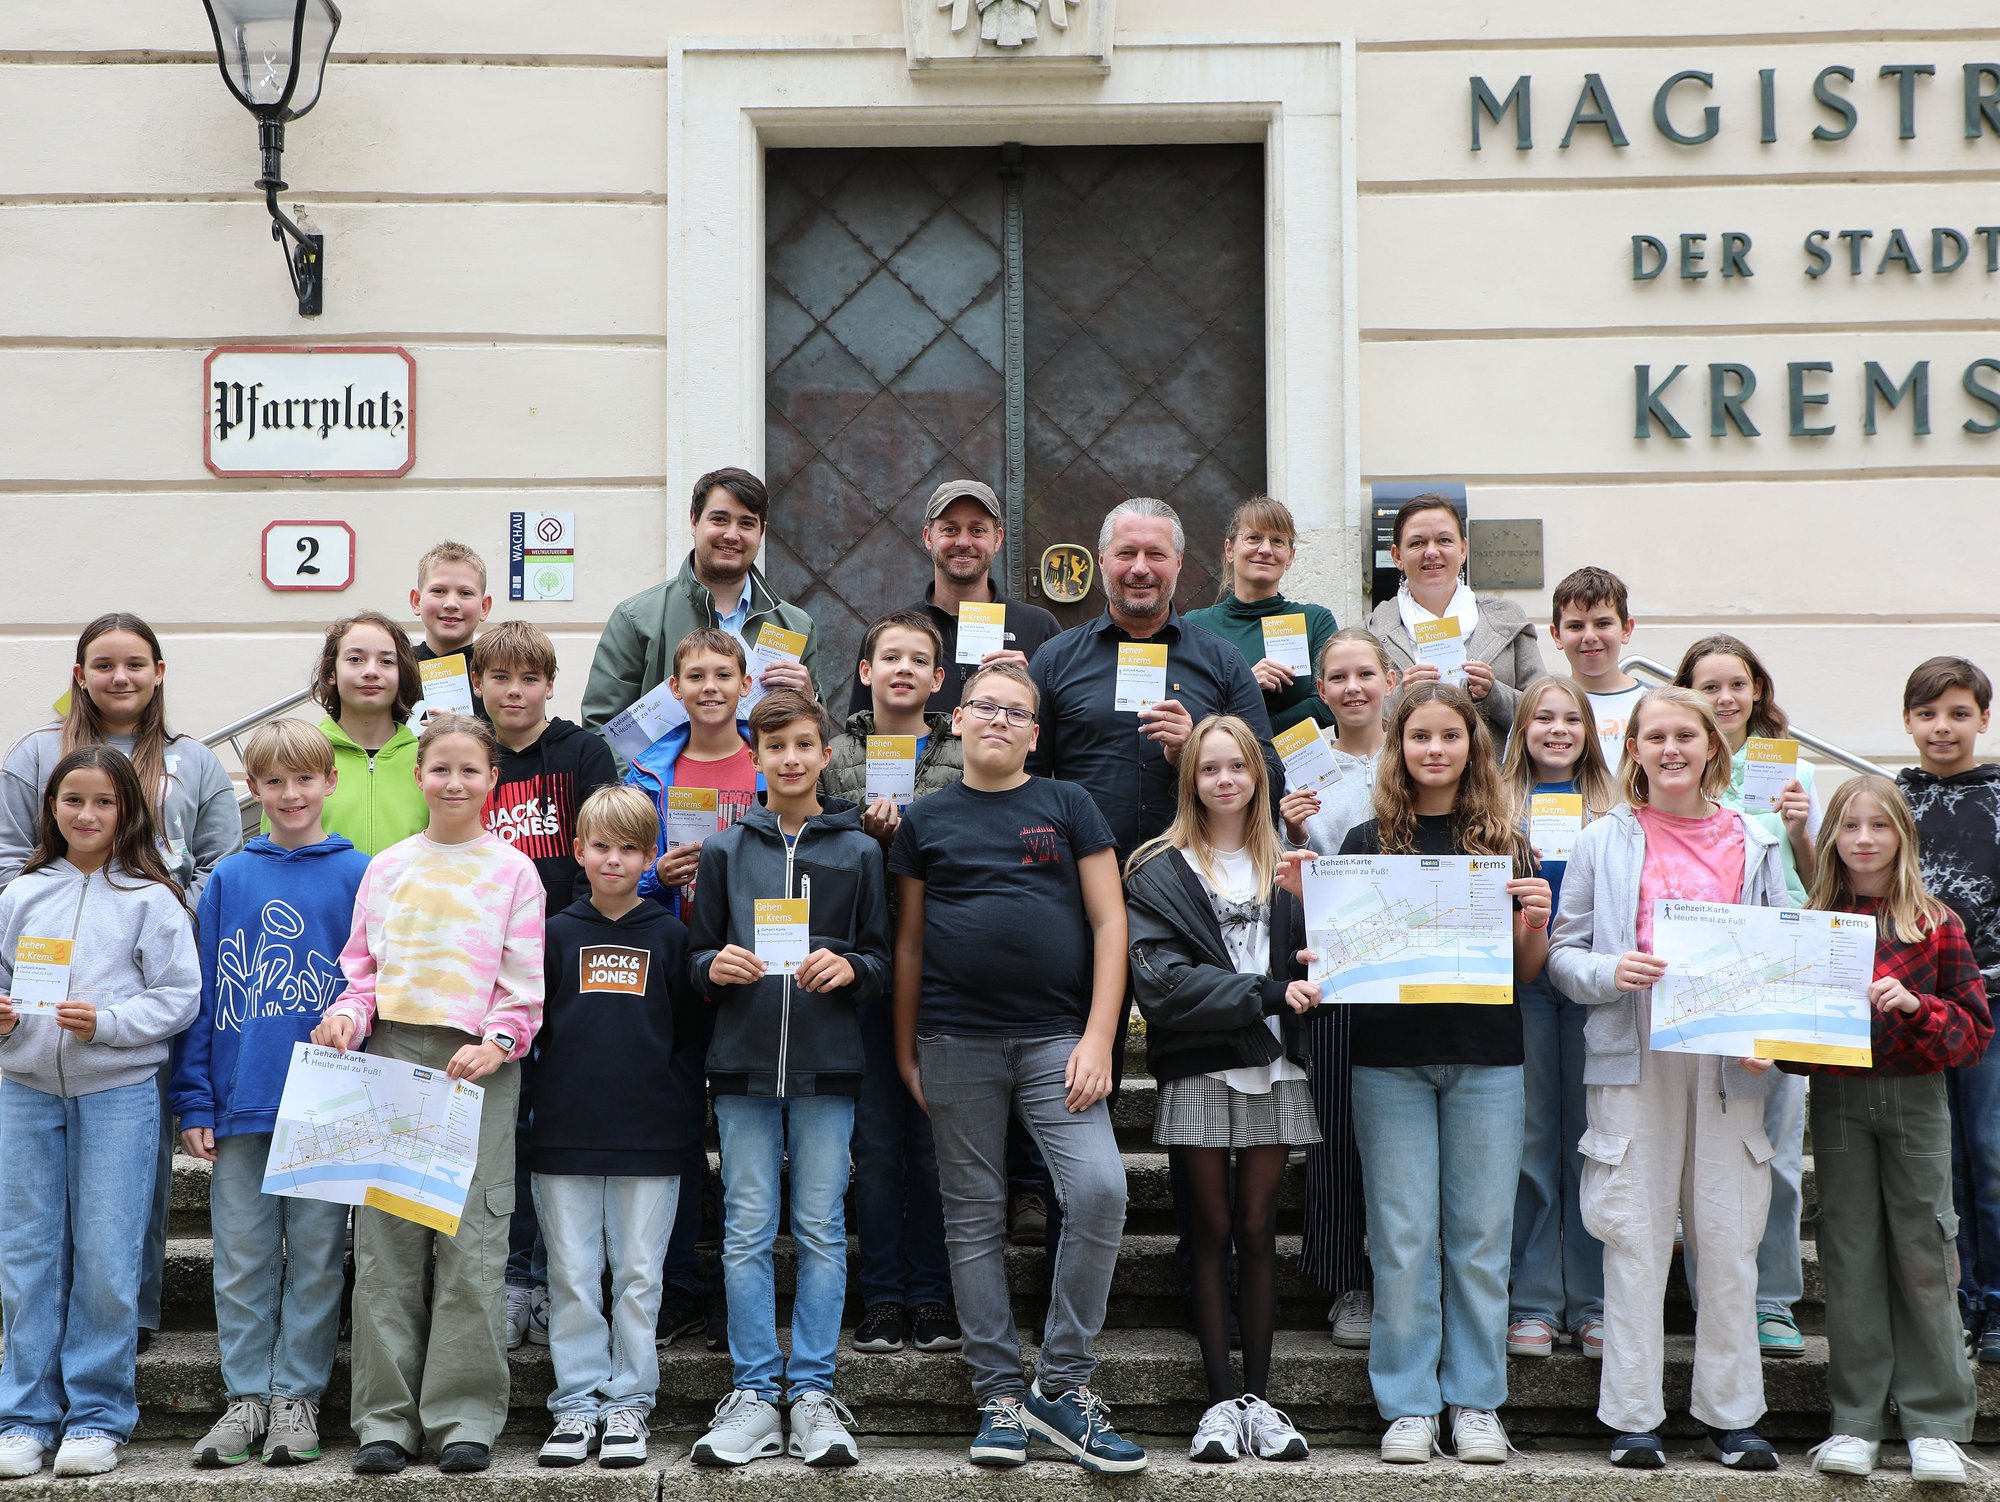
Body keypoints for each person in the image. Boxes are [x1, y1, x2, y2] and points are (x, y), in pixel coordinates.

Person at [1027, 496, 1280, 1326]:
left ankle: (1196, 1257)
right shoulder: (1059, 659)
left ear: (1182, 568)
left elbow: (1262, 765)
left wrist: (1199, 742)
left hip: (1194, 907)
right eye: (1126, 553)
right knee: (1072, 1070)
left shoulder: (1215, 658)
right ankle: (1068, 1232)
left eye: (1157, 555)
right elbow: (1035, 774)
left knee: (1191, 1070)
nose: (1141, 568)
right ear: (1102, 563)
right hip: (1078, 903)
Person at [890, 662, 1143, 1474]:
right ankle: (998, 1395)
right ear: (956, 719)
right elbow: (910, 945)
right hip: (955, 1042)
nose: (999, 720)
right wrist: (904, 1051)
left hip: (1054, 1043)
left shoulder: (1067, 804)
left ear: (1035, 732)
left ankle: (1060, 1388)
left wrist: (1100, 1037)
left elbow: (1111, 924)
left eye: (1017, 712)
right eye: (985, 708)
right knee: (972, 1216)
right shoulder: (924, 821)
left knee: (1100, 1189)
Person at [1546, 686, 1791, 1472]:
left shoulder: (1756, 840)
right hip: (1634, 1047)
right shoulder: (1601, 841)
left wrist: (1770, 1039)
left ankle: (1734, 1416)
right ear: (1636, 750)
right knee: (1634, 1234)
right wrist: (1607, 970)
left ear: (1713, 746)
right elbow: (1562, 951)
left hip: (1727, 1058)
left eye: (1687, 735)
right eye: (1657, 736)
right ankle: (1633, 1417)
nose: (1673, 748)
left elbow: (1784, 956)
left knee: (1726, 1236)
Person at [1321, 682, 1551, 1467]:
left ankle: (1476, 1401)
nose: (1435, 750)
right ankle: (1409, 1404)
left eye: (1450, 736)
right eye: (1420, 736)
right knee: (1402, 1236)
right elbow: (1344, 965)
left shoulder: (1507, 844)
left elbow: (1525, 972)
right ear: (1400, 746)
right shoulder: (1363, 841)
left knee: (1481, 1237)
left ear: (1471, 746)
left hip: (1487, 1057)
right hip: (1388, 1061)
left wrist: (1537, 923)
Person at [310, 712, 545, 1476]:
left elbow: (523, 984)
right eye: (439, 768)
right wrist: (346, 1019)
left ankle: (463, 1415)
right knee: (386, 1246)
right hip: (391, 1056)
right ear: (419, 776)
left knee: (472, 1243)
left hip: (474, 1064)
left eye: (469, 770)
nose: (453, 782)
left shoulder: (513, 871)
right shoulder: (388, 868)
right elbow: (362, 971)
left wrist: (498, 1042)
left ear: (491, 781)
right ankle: (385, 1419)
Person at [0, 613, 239, 1355]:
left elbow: (218, 859)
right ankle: (46, 1332)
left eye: (136, 663)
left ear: (159, 672)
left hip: (143, 985)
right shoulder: (35, 754)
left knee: (134, 1170)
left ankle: (127, 1312)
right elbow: (11, 854)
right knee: (37, 1206)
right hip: (42, 999)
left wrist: (155, 922)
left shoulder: (192, 760)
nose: (120, 677)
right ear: (80, 675)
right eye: (103, 664)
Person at [686, 691, 888, 1470]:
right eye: (777, 748)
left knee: (820, 1230)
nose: (793, 759)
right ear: (757, 757)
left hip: (828, 1067)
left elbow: (878, 957)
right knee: (744, 1231)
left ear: (825, 752)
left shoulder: (860, 852)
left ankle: (810, 1391)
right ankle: (751, 1392)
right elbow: (697, 955)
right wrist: (715, 966)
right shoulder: (725, 851)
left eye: (806, 744)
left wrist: (851, 967)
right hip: (739, 1066)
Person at [170, 721, 369, 1471]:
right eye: (275, 782)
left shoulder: (360, 874)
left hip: (328, 1103)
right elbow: (203, 994)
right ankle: (246, 1397)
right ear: (253, 790)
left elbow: (368, 987)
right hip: (241, 1101)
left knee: (318, 1257)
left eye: (304, 779)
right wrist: (194, 1100)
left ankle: (298, 1398)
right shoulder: (228, 877)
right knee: (243, 1257)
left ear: (330, 782)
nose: (291, 794)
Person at [0, 745, 200, 1479]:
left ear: (128, 812)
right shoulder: (20, 896)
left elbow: (180, 997)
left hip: (116, 1092)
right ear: (51, 808)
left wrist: (109, 1022)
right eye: (72, 800)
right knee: (25, 1256)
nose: (87, 815)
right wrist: (7, 1022)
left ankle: (96, 1416)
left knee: (109, 1257)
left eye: (104, 802)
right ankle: (22, 1416)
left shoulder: (153, 899)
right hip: (22, 1091)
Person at [1126, 715, 1318, 1465]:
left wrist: (1314, 915)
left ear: (1258, 776)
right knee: (1206, 1228)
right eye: (1210, 769)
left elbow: (1337, 954)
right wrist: (1269, 991)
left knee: (1258, 1227)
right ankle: (1216, 1404)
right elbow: (1163, 986)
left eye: (1238, 766)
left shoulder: (1294, 861)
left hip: (1274, 1066)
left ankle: (1260, 1402)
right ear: (1190, 780)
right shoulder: (1159, 866)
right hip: (1203, 1061)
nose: (1226, 780)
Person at [1795, 777, 1989, 1486]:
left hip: (1916, 1100)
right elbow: (1795, 1038)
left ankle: (1936, 1424)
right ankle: (1857, 1421)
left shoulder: (1937, 923)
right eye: (1851, 826)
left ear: (1903, 836)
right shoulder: (1812, 920)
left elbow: (1973, 1033)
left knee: (1924, 1251)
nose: (1865, 839)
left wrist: (1915, 1005)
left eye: (1881, 826)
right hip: (1840, 1099)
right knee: (1848, 1254)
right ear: (1832, 839)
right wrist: (1771, 1038)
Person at [532, 787, 701, 1472]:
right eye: (600, 846)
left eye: (630, 848)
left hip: (650, 1136)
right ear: (578, 851)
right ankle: (576, 1401)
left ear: (650, 856)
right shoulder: (553, 933)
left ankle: (629, 1400)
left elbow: (688, 1036)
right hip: (564, 1134)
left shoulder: (671, 936)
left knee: (638, 1274)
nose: (614, 859)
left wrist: (673, 1110)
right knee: (572, 1274)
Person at [472, 620, 618, 1353]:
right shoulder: (471, 754)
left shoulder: (582, 751)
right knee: (504, 1126)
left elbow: (603, 847)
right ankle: (505, 1276)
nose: (515, 691)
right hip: (486, 970)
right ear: (479, 683)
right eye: (501, 677)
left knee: (552, 1124)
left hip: (563, 960)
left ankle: (544, 1275)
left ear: (550, 685)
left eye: (529, 678)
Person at [823, 610, 964, 1357]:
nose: (904, 669)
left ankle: (932, 1293)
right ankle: (881, 1295)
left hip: (945, 973)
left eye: (919, 660)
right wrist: (857, 824)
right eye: (890, 657)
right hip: (863, 976)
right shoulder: (835, 752)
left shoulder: (966, 751)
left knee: (936, 1145)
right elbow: (808, 833)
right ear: (867, 670)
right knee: (877, 1146)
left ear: (939, 679)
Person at [1674, 633, 1817, 1358]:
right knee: (1707, 1157)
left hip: (1778, 964)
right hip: (1705, 978)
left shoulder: (1792, 773)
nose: (1726, 698)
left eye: (1738, 684)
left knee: (1778, 1153)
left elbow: (1818, 886)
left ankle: (1773, 1300)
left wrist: (1797, 828)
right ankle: (1715, 1301)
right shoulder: (1678, 770)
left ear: (1758, 688)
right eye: (1710, 686)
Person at [1285, 627, 1398, 1350]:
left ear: (1390, 679)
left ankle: (1403, 1274)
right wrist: (1284, 824)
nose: (1352, 687)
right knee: (1333, 1122)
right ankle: (1347, 1281)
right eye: (1338, 677)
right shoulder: (1302, 761)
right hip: (1331, 963)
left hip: (1413, 959)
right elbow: (1278, 867)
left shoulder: (1417, 746)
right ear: (1320, 689)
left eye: (1366, 673)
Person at [1498, 676, 1617, 1362]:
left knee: (1593, 1141)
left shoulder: (1615, 805)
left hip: (1597, 987)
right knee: (1534, 1141)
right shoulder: (1498, 801)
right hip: (1526, 986)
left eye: (1571, 718)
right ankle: (1536, 1300)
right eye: (1543, 717)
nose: (1557, 729)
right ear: (1523, 728)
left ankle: (1596, 1303)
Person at [1895, 656, 2000, 1359]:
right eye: (1929, 714)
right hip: (1910, 1008)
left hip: (1989, 1005)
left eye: (1959, 713)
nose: (1943, 727)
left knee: (1989, 1153)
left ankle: (1995, 1304)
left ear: (1983, 721)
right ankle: (1956, 1304)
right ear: (1907, 721)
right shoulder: (1891, 801)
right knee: (1939, 1166)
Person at [584, 467, 822, 735]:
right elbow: (602, 729)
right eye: (719, 519)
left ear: (761, 532)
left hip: (760, 777)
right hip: (663, 778)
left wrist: (809, 700)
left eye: (746, 523)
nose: (732, 535)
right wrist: (646, 778)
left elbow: (811, 737)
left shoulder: (795, 626)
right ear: (694, 521)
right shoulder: (637, 618)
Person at [840, 480, 1061, 718]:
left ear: (997, 539)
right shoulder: (889, 632)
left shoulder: (1039, 627)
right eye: (950, 529)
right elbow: (860, 729)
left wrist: (1031, 685)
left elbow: (1061, 725)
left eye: (977, 530)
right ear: (928, 537)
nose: (963, 542)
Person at [1364, 495, 1545, 739]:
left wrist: (1494, 694)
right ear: (1397, 556)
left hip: (1495, 776)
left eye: (1444, 540)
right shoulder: (1371, 634)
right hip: (1407, 776)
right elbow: (1357, 725)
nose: (1431, 552)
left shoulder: (1507, 619)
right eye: (1417, 543)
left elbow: (1544, 714)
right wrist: (1401, 697)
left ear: (1462, 550)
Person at [628, 628, 762, 914]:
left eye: (724, 675)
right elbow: (619, 867)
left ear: (745, 684)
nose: (710, 686)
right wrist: (657, 878)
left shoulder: (772, 764)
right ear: (676, 687)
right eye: (696, 676)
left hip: (750, 938)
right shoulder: (644, 777)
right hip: (674, 935)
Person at [1184, 496, 1339, 736]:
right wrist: (1244, 685)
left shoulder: (1316, 621)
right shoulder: (1195, 627)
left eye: (1277, 541)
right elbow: (1188, 713)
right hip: (1224, 770)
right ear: (1230, 549)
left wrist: (1253, 734)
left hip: (1299, 768)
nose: (1265, 549)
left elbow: (1328, 703)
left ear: (1290, 557)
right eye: (1254, 538)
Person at [304, 611, 427, 856]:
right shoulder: (303, 755)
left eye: (387, 662)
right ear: (332, 673)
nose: (371, 671)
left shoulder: (428, 760)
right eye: (355, 659)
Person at [1548, 567, 1645, 771]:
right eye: (1575, 626)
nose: (1590, 636)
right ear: (1557, 635)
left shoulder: (1656, 704)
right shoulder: (1540, 709)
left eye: (1602, 624)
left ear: (1626, 629)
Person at [409, 541, 493, 722]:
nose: (451, 604)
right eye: (439, 591)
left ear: (484, 607)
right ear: (416, 601)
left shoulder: (499, 672)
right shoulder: (397, 667)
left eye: (465, 593)